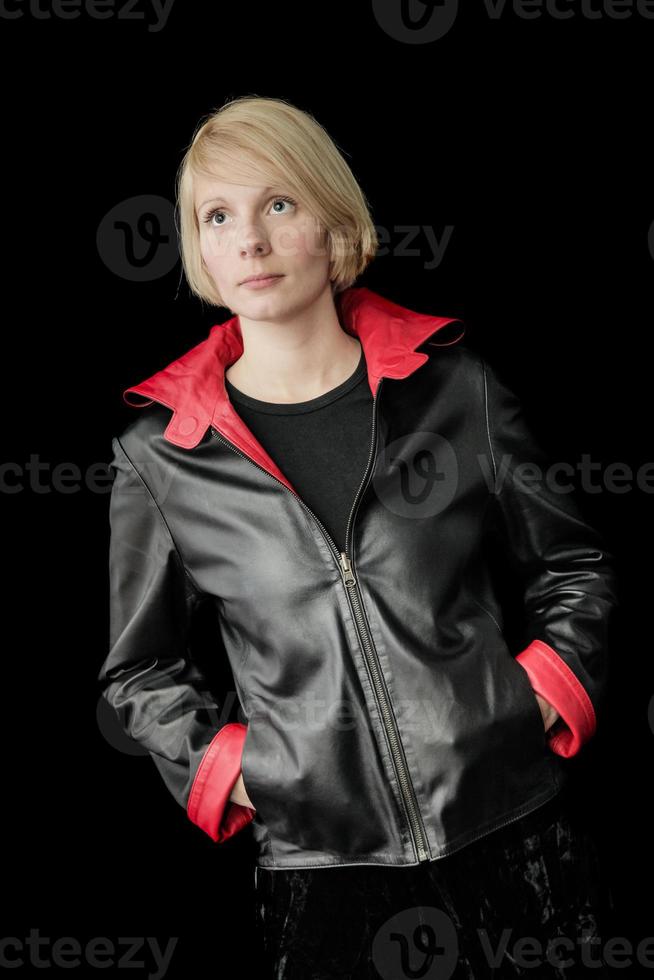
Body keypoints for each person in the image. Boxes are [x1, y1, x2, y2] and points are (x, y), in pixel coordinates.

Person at [98, 95, 619, 978]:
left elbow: (573, 565)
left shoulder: (455, 389)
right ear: (199, 248)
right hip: (322, 878)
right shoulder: (162, 452)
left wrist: (528, 700)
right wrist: (248, 771)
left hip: (513, 835)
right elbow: (140, 671)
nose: (250, 240)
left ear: (334, 224)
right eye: (217, 215)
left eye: (279, 205)